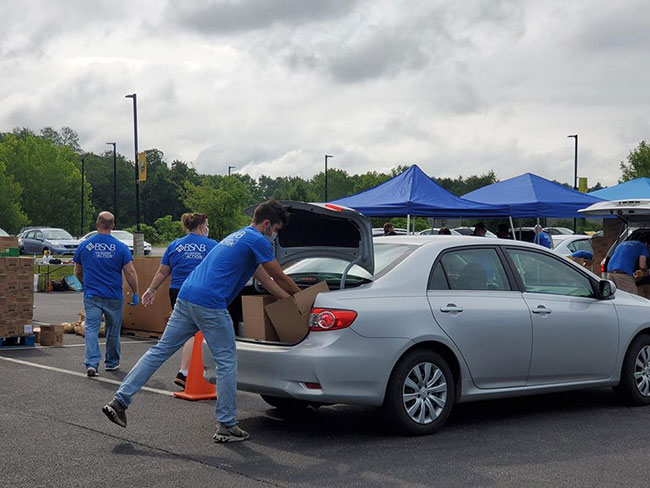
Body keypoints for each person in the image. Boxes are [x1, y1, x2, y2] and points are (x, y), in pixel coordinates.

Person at [102, 200, 301, 443]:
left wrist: (290, 303)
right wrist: (302, 298)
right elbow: (278, 274)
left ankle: (120, 400)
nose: (275, 235)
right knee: (227, 361)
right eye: (277, 230)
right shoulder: (257, 240)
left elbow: (268, 281)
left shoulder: (239, 237)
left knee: (160, 351)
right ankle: (226, 424)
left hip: (187, 297)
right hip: (210, 303)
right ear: (267, 224)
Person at [140, 213, 217, 388]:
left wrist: (151, 289)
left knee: (188, 331)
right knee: (200, 331)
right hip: (201, 291)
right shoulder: (212, 245)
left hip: (177, 291)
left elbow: (162, 272)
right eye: (207, 224)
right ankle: (189, 371)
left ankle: (186, 371)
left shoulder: (175, 245)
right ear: (201, 226)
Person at [73, 212, 139, 377]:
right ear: (113, 225)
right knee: (113, 330)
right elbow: (130, 272)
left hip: (92, 294)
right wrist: (136, 292)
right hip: (113, 295)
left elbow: (78, 271)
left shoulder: (85, 246)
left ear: (97, 224)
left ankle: (92, 363)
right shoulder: (120, 247)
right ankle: (112, 362)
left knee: (91, 329)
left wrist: (84, 284)